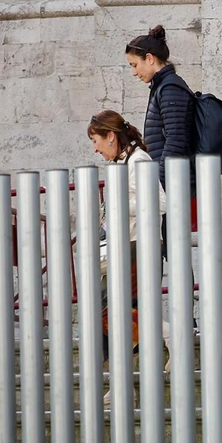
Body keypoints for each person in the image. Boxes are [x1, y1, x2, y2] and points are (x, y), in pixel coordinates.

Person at [88, 110, 158, 359]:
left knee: (113, 308)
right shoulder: (119, 163)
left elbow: (159, 201)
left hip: (138, 244)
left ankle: (163, 337)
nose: (95, 149)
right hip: (124, 245)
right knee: (107, 308)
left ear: (109, 136)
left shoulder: (139, 161)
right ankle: (117, 378)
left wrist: (119, 203)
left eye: (95, 141)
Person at [126, 26, 193, 193]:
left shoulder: (170, 88)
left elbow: (176, 141)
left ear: (149, 58)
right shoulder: (163, 87)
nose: (134, 72)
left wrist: (158, 184)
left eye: (134, 65)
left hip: (172, 186)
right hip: (169, 183)